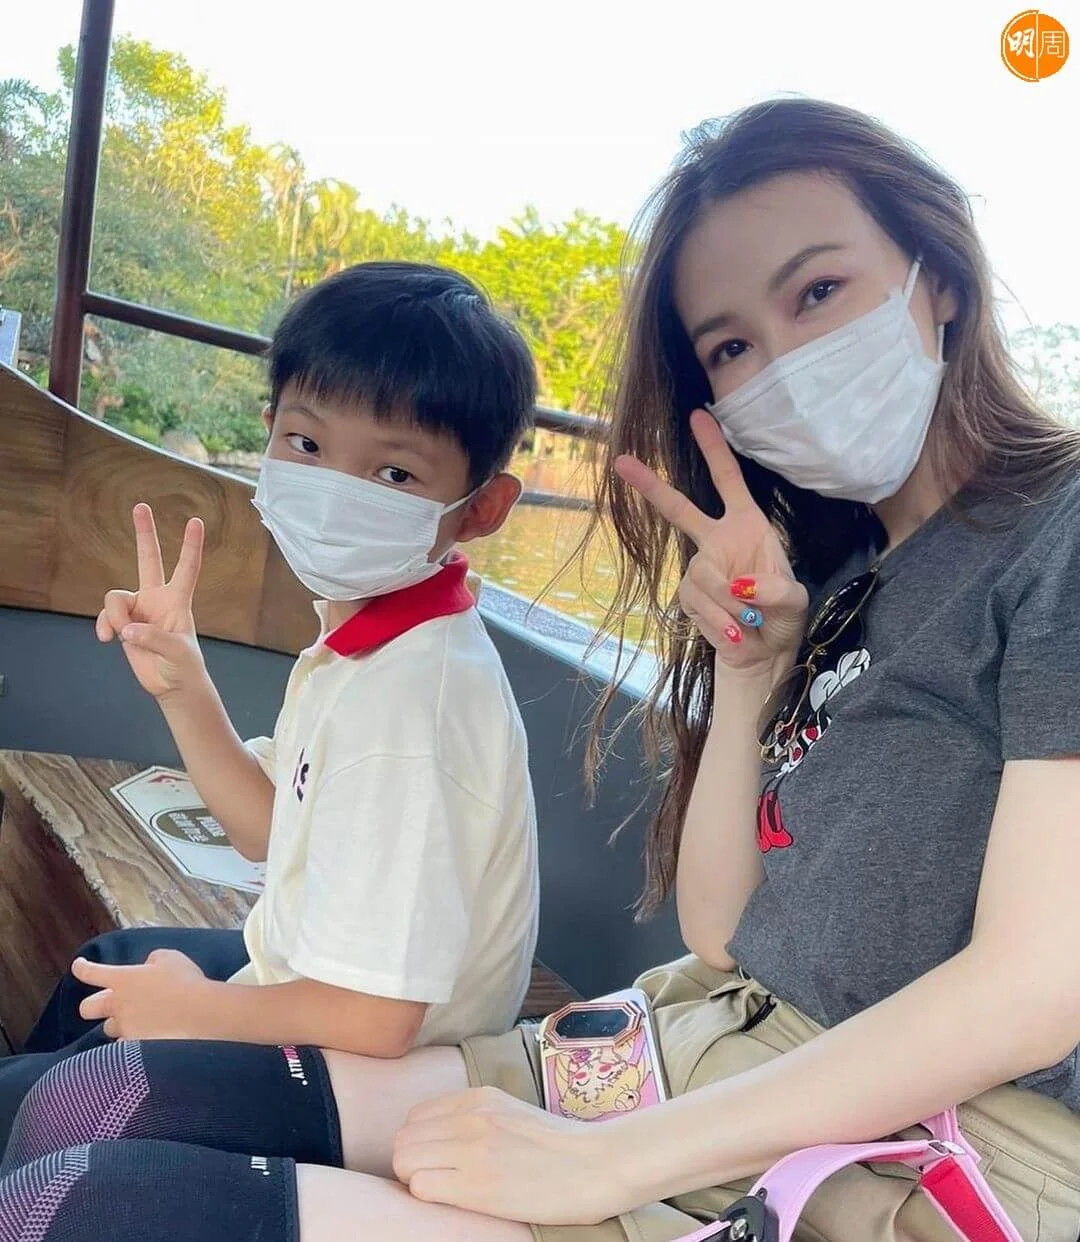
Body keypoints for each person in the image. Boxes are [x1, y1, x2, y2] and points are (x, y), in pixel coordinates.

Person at [2, 96, 1079, 1242]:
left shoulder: (1056, 534)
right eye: (730, 346)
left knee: (82, 1205)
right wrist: (752, 674)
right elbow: (726, 931)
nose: (786, 362)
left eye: (817, 291)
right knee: (75, 1104)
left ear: (937, 275)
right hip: (701, 1044)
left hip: (923, 1154)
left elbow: (1034, 990)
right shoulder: (848, 579)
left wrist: (606, 1164)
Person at [11, 261, 541, 1073]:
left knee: (53, 1097)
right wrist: (184, 686)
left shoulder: (410, 706)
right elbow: (264, 830)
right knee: (107, 961)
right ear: (270, 434)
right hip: (305, 983)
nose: (333, 492)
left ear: (482, 508)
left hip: (356, 1074)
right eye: (307, 444)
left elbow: (378, 1019)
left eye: (394, 474)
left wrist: (195, 1009)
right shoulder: (373, 641)